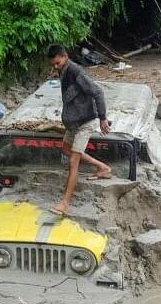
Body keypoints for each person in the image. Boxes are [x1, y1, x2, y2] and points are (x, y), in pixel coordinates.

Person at [47, 44, 112, 216]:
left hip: (86, 121)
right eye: (53, 65)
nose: (55, 67)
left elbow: (98, 92)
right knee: (66, 149)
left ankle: (64, 203)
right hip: (73, 122)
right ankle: (103, 168)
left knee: (73, 162)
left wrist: (103, 118)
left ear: (65, 56)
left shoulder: (76, 72)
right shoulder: (63, 71)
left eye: (58, 63)